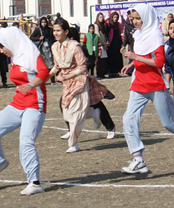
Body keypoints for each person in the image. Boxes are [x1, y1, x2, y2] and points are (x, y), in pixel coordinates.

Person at [120, 4, 174, 174]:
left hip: (156, 84)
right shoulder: (138, 35)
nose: (134, 22)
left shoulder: (156, 36)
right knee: (128, 118)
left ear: (146, 17)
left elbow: (158, 63)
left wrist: (135, 57)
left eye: (138, 18)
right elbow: (143, 57)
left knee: (169, 123)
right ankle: (138, 159)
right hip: (139, 84)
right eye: (133, 19)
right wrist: (132, 65)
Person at [0, 27, 49, 196]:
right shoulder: (15, 56)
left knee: (25, 142)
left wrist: (31, 85)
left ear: (10, 42)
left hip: (35, 105)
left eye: (1, 47)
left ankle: (34, 182)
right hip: (18, 104)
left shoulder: (30, 53)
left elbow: (44, 72)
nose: (1, 51)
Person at [60, 27, 116, 140]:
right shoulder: (64, 49)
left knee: (95, 103)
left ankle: (110, 127)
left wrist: (78, 70)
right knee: (63, 103)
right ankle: (71, 130)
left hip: (82, 82)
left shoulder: (79, 48)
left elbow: (89, 62)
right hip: (71, 83)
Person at [48, 17, 93, 153]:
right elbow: (57, 66)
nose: (55, 33)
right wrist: (46, 77)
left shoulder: (75, 46)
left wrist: (68, 76)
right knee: (67, 114)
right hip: (66, 84)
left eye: (58, 30)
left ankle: (73, 143)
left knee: (75, 115)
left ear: (66, 31)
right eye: (54, 30)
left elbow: (83, 66)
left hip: (79, 82)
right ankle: (93, 113)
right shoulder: (55, 46)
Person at [30, 17, 55, 84]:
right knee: (42, 64)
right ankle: (42, 79)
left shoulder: (50, 30)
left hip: (49, 48)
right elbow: (32, 37)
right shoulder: (38, 29)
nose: (44, 24)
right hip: (41, 48)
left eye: (45, 22)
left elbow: (53, 38)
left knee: (51, 64)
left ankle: (52, 80)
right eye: (42, 22)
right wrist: (39, 38)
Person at [107, 12, 124, 78]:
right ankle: (111, 72)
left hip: (117, 44)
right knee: (111, 58)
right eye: (114, 17)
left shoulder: (118, 25)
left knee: (117, 58)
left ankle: (116, 72)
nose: (115, 19)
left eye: (116, 17)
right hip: (111, 44)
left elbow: (120, 34)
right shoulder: (109, 25)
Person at [94, 12, 108, 79]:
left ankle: (102, 73)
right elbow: (98, 35)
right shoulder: (96, 25)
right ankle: (98, 74)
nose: (101, 18)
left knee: (103, 60)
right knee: (99, 60)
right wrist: (103, 44)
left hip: (103, 44)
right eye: (100, 17)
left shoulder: (103, 25)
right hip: (99, 44)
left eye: (102, 17)